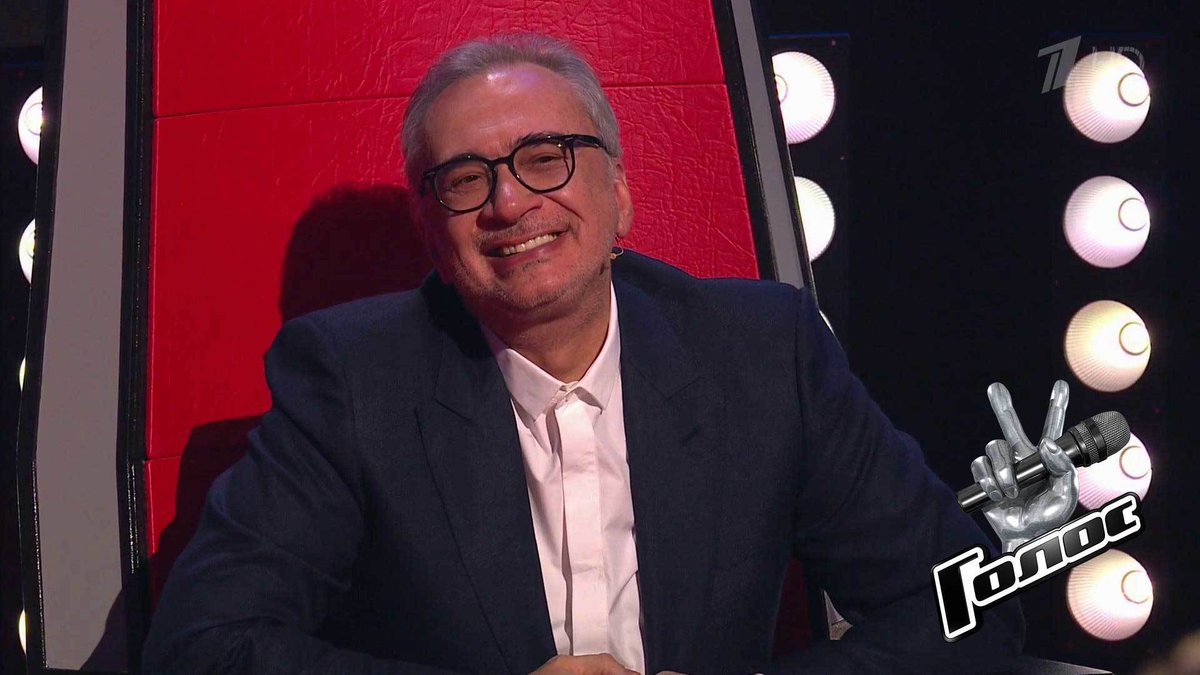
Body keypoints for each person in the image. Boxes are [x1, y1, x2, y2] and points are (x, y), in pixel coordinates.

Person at [143, 34, 1029, 674]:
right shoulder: (350, 378)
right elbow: (202, 645)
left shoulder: (765, 351)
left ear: (621, 194)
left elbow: (964, 605)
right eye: (466, 179)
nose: (509, 203)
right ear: (434, 233)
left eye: (546, 157)